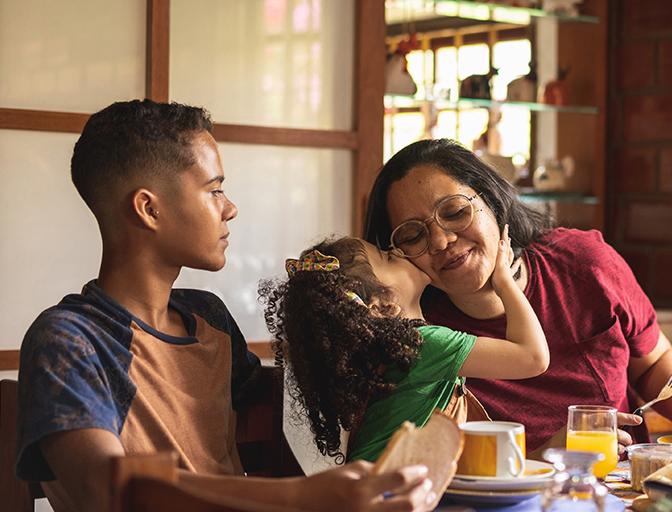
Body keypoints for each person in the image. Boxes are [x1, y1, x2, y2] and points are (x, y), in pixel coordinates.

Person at [15, 99, 432, 512]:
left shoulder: (208, 317)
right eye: (214, 190)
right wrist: (300, 498)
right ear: (148, 208)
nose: (230, 208)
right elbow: (104, 487)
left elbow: (283, 403)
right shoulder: (70, 340)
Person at [363, 139, 672, 454]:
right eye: (413, 235)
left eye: (453, 212)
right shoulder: (419, 333)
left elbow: (653, 361)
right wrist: (549, 456)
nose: (442, 240)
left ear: (492, 201)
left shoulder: (584, 264)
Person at [260, 224, 547, 463]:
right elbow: (533, 357)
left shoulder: (390, 351)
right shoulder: (423, 344)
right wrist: (504, 281)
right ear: (381, 305)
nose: (398, 251)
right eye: (387, 257)